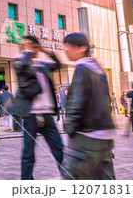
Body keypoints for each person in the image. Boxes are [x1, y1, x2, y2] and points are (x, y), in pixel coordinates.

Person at [61, 33, 116, 180]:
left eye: (69, 46)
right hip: (105, 136)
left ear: (82, 48)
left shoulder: (82, 68)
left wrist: (69, 128)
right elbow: (107, 101)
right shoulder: (97, 69)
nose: (65, 50)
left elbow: (76, 103)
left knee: (73, 178)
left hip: (86, 137)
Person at [11, 35, 63, 180]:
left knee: (59, 149)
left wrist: (45, 52)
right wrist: (27, 53)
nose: (26, 47)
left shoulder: (42, 65)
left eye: (30, 45)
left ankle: (68, 177)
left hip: (46, 114)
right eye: (25, 45)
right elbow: (26, 71)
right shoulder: (19, 62)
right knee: (28, 153)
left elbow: (59, 65)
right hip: (31, 115)